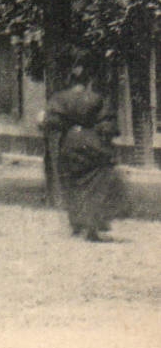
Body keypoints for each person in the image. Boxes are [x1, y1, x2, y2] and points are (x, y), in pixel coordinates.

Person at [42, 82, 122, 241]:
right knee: (95, 185)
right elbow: (109, 126)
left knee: (71, 184)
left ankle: (76, 225)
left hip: (68, 144)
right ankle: (92, 228)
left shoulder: (58, 99)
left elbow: (50, 124)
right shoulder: (96, 99)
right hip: (93, 144)